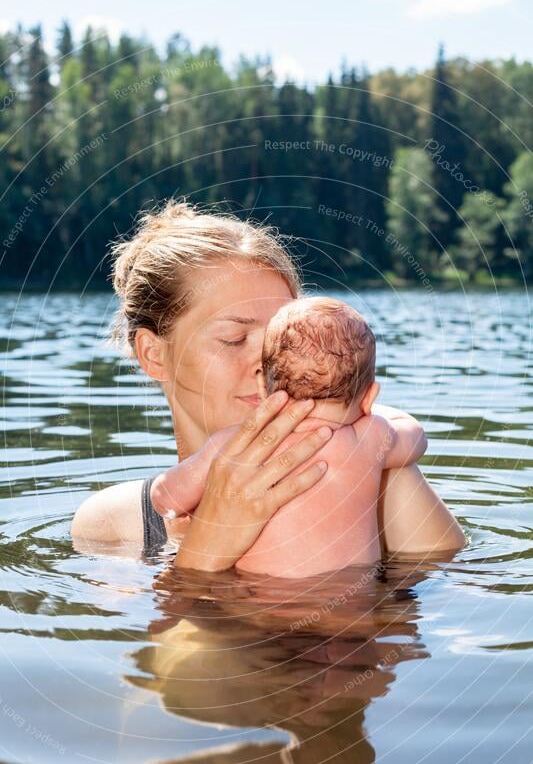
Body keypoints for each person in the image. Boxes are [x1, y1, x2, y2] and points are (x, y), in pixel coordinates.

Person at [70, 199, 466, 569]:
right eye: (234, 339)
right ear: (153, 355)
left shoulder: (378, 480)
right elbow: (170, 645)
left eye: (283, 340)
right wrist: (211, 542)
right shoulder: (115, 524)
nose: (267, 363)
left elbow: (448, 613)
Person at [149, 297, 428, 577]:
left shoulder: (233, 446)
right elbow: (415, 439)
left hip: (256, 602)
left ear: (262, 387)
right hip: (353, 603)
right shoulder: (370, 437)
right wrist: (370, 414)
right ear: (369, 397)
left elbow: (165, 498)